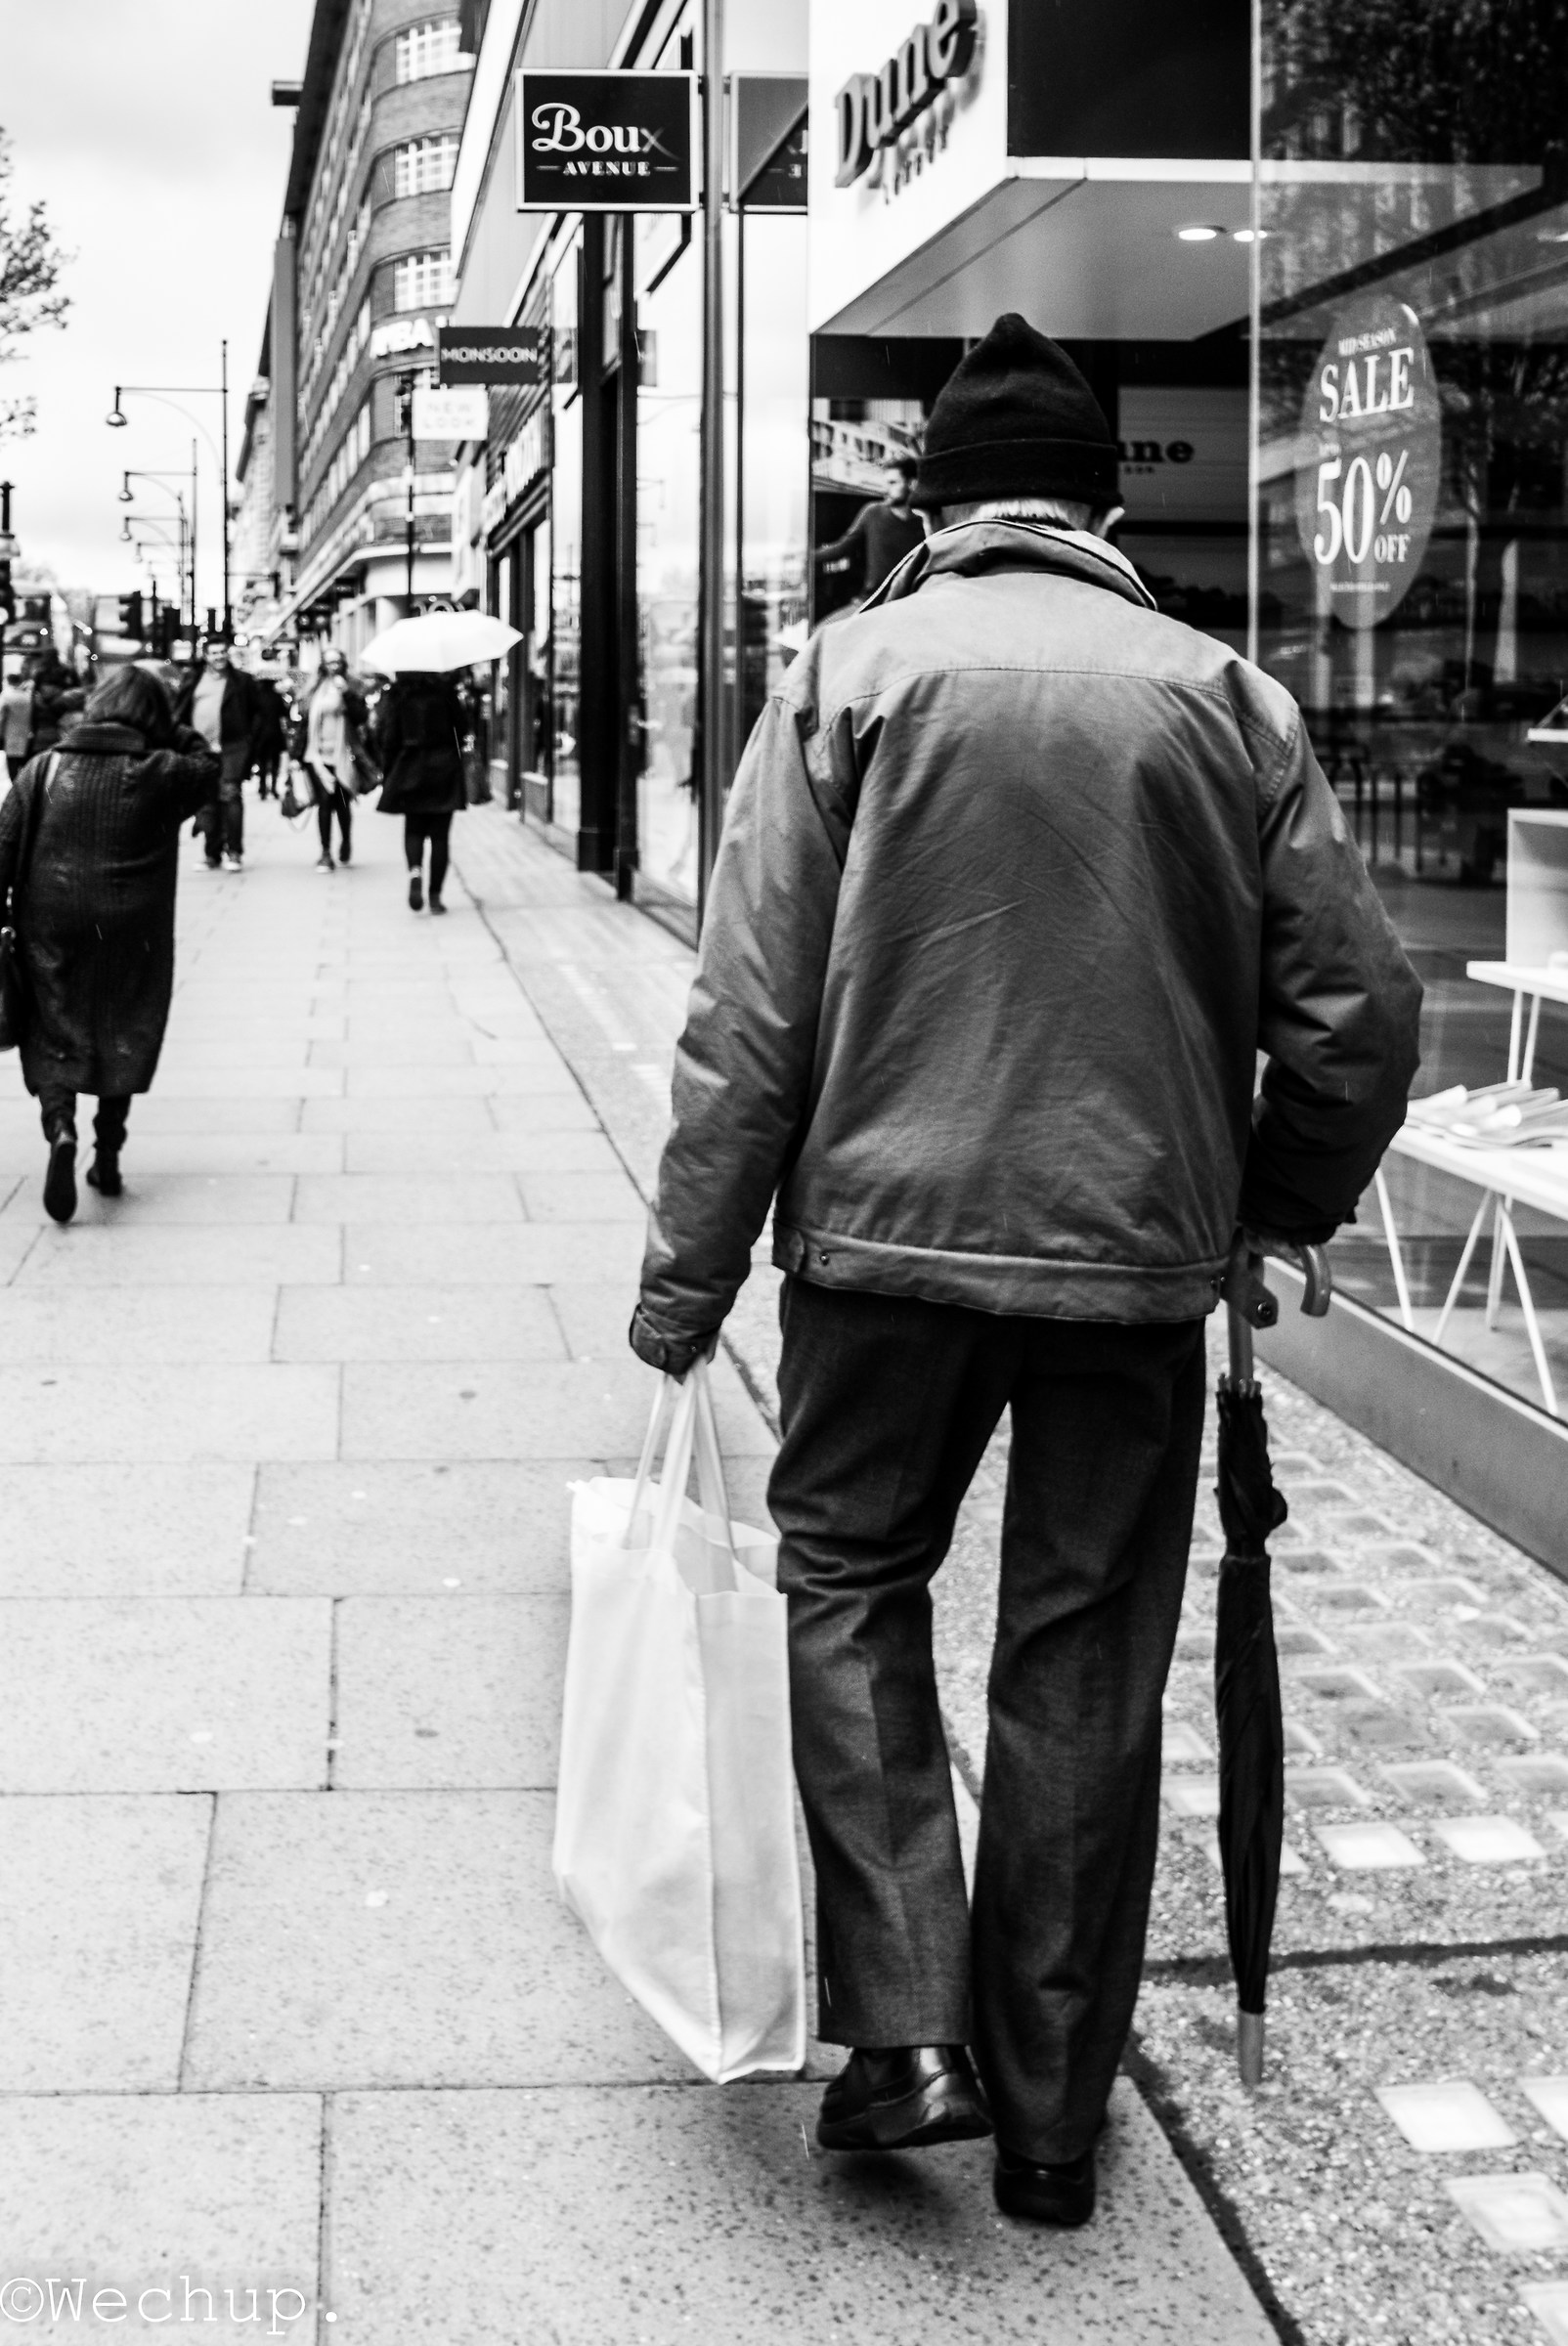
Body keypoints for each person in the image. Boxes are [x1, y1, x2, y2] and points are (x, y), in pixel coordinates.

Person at [628, 316, 1422, 2227]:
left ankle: (905, 2028)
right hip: (1132, 1274)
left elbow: (747, 1023)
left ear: (935, 502)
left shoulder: (843, 675)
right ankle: (1056, 2123)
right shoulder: (1225, 698)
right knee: (1079, 1659)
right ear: (1094, 499)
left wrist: (684, 1287)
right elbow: (1359, 1013)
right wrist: (1277, 1206)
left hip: (877, 1267)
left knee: (845, 1579)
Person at [0, 663, 219, 1223]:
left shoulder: (45, 769)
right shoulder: (163, 770)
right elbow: (209, 768)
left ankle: (61, 1128)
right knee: (124, 1025)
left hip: (51, 918)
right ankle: (108, 1156)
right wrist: (171, 727)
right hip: (132, 926)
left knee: (51, 1023)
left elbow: (3, 847)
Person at [372, 667, 465, 913]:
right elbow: (463, 728)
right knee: (440, 836)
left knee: (413, 828)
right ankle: (435, 897)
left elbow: (387, 736)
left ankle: (415, 872)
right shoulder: (445, 692)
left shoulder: (399, 695)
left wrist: (390, 771)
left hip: (410, 765)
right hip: (444, 766)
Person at [173, 639, 260, 870]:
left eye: (222, 652)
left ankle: (234, 852)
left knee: (230, 794)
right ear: (206, 655)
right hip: (200, 748)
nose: (219, 656)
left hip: (233, 746)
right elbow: (180, 710)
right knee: (206, 800)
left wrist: (250, 742)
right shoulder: (193, 679)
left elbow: (257, 713)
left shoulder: (242, 681)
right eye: (214, 653)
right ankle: (212, 854)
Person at [813, 455, 927, 606]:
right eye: (885, 483)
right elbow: (842, 548)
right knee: (825, 629)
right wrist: (805, 556)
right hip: (871, 601)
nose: (885, 489)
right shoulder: (872, 512)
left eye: (892, 483)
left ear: (911, 483)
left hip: (907, 605)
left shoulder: (923, 525)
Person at [301, 647, 369, 870]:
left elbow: (361, 718)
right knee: (324, 802)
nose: (334, 666)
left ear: (343, 663)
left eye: (337, 662)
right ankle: (325, 852)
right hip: (317, 755)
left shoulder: (352, 685)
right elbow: (304, 722)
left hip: (344, 755)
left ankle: (346, 841)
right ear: (322, 665)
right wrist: (295, 756)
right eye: (329, 662)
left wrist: (347, 694)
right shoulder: (315, 688)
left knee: (342, 804)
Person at [251, 663, 288, 800]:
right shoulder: (276, 696)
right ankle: (273, 788)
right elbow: (284, 712)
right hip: (275, 733)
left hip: (260, 733)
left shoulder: (256, 696)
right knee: (274, 762)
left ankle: (262, 788)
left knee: (261, 761)